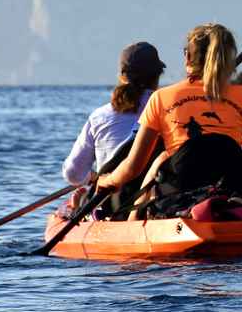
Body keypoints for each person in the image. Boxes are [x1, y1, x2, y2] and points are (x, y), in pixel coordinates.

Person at [96, 23, 242, 210]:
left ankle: (133, 219)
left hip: (181, 189)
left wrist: (108, 180)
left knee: (161, 159)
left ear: (188, 57)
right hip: (234, 185)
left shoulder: (162, 97)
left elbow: (133, 166)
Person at [56, 42, 165, 217]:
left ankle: (82, 204)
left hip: (111, 204)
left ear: (122, 77)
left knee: (79, 200)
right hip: (155, 204)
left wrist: (92, 178)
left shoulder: (99, 116)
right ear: (158, 76)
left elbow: (73, 174)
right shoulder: (169, 112)